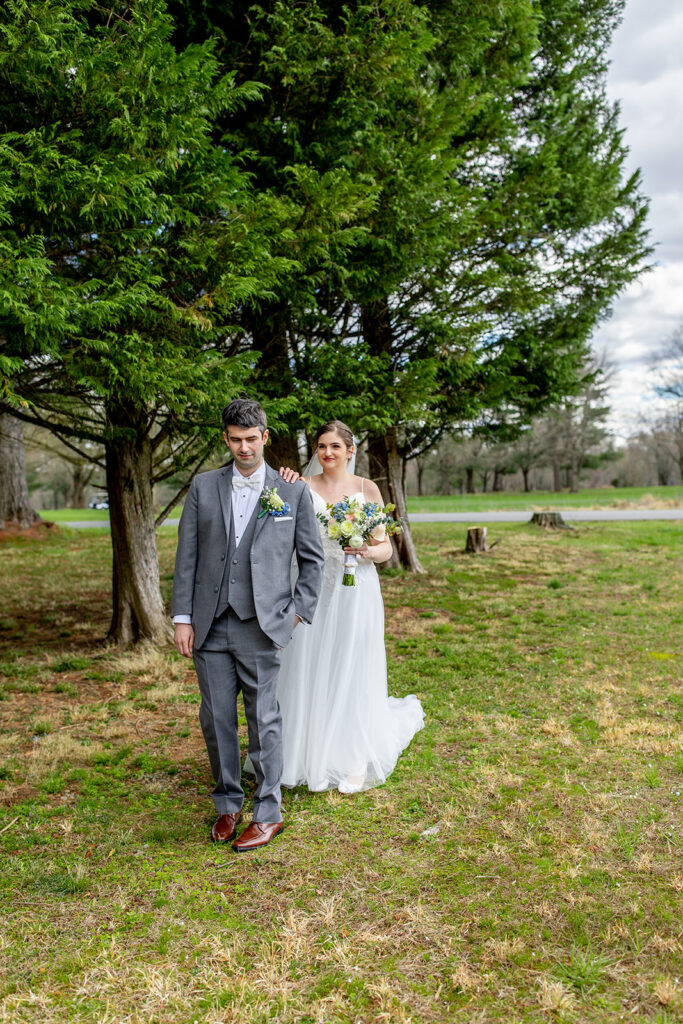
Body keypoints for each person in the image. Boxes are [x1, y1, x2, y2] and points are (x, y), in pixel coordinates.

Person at [172, 399, 324, 851]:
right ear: (225, 438)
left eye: (251, 439)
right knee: (216, 719)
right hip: (209, 624)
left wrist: (296, 611)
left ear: (265, 437)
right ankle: (226, 805)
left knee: (264, 720)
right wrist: (183, 618)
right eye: (235, 440)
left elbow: (311, 561)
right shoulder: (202, 487)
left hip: (263, 624)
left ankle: (269, 811)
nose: (243, 447)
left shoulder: (292, 492)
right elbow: (187, 556)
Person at [272, 420, 424, 794]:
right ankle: (306, 754)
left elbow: (386, 548)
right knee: (308, 665)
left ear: (350, 450)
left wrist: (367, 551)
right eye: (321, 447)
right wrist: (281, 485)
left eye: (335, 447)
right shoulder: (302, 488)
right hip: (313, 589)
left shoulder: (366, 489)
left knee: (350, 666)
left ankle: (353, 756)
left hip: (357, 591)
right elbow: (276, 525)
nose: (327, 454)